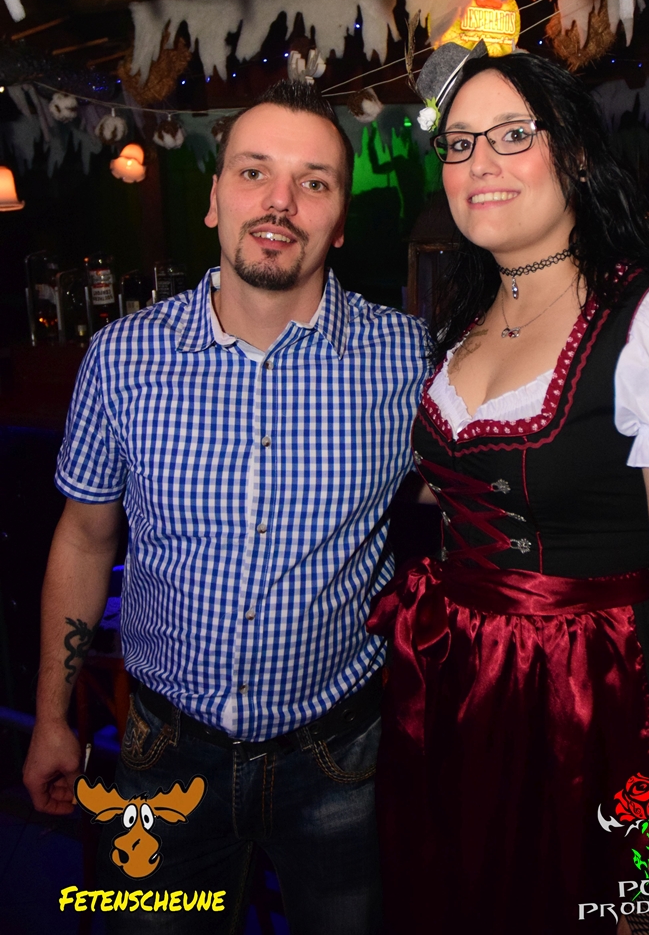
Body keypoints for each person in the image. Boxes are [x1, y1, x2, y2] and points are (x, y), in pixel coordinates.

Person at [368, 47, 649, 934]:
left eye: (513, 135)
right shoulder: (468, 322)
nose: (480, 162)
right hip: (455, 693)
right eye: (460, 143)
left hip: (589, 706)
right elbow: (482, 485)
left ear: (577, 155)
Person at [23, 79, 430, 935]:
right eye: (254, 172)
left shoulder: (407, 361)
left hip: (341, 757)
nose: (280, 202)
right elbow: (85, 539)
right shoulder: (123, 357)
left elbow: (483, 501)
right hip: (162, 752)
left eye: (314, 181)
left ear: (340, 220)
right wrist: (53, 718)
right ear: (214, 200)